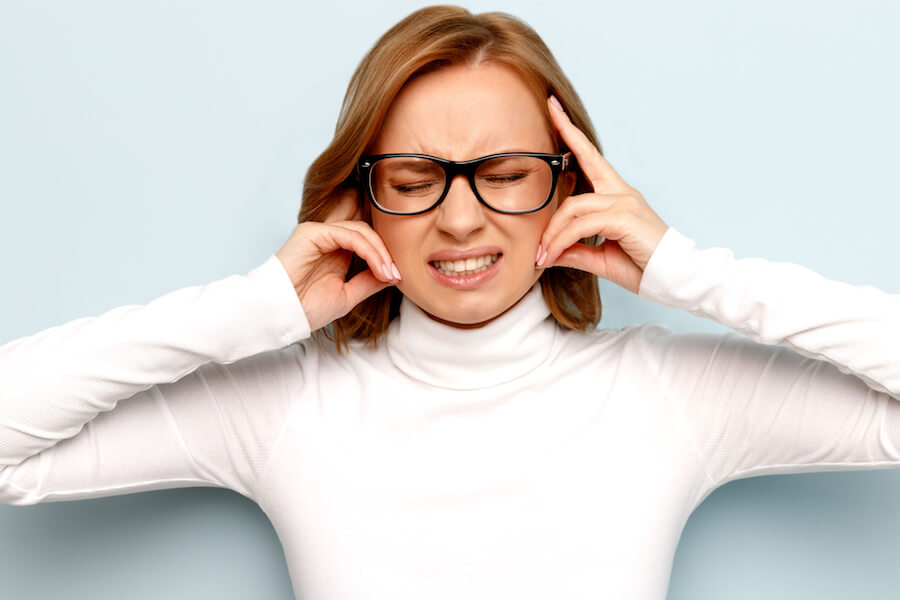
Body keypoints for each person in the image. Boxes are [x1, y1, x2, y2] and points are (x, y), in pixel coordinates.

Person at [1, 5, 898, 599]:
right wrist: (259, 305)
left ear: (569, 185)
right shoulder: (290, 401)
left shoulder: (667, 395)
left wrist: (682, 269)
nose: (460, 220)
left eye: (506, 175)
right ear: (361, 199)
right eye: (415, 178)